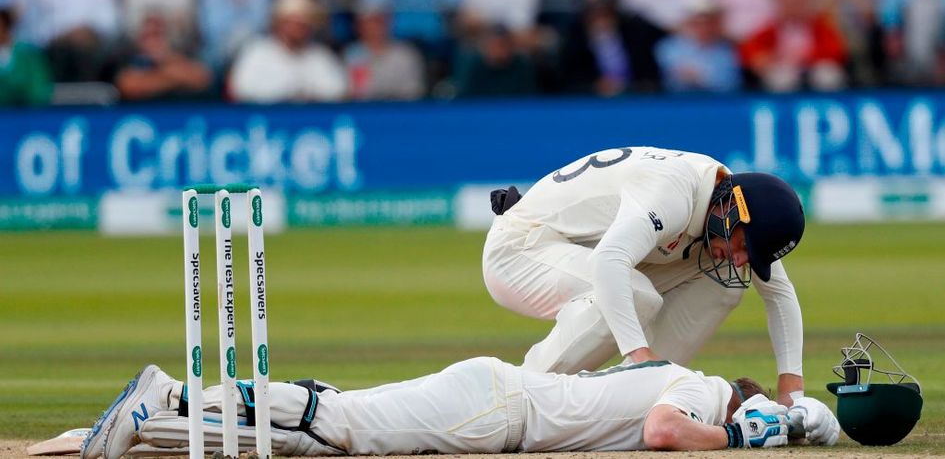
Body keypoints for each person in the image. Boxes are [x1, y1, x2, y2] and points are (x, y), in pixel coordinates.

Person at [481, 146, 832, 433]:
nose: (741, 260)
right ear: (730, 210)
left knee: (723, 286)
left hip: (587, 249)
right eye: (743, 244)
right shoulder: (674, 192)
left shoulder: (733, 200)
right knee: (635, 294)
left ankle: (632, 404)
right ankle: (508, 402)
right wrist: (639, 356)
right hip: (522, 249)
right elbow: (609, 261)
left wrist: (792, 391)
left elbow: (778, 293)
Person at [79, 354, 837, 459]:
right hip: (497, 409)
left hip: (496, 403)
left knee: (331, 433)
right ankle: (173, 395)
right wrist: (734, 439)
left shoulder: (691, 383)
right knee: (342, 429)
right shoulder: (700, 390)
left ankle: (163, 419)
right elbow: (665, 433)